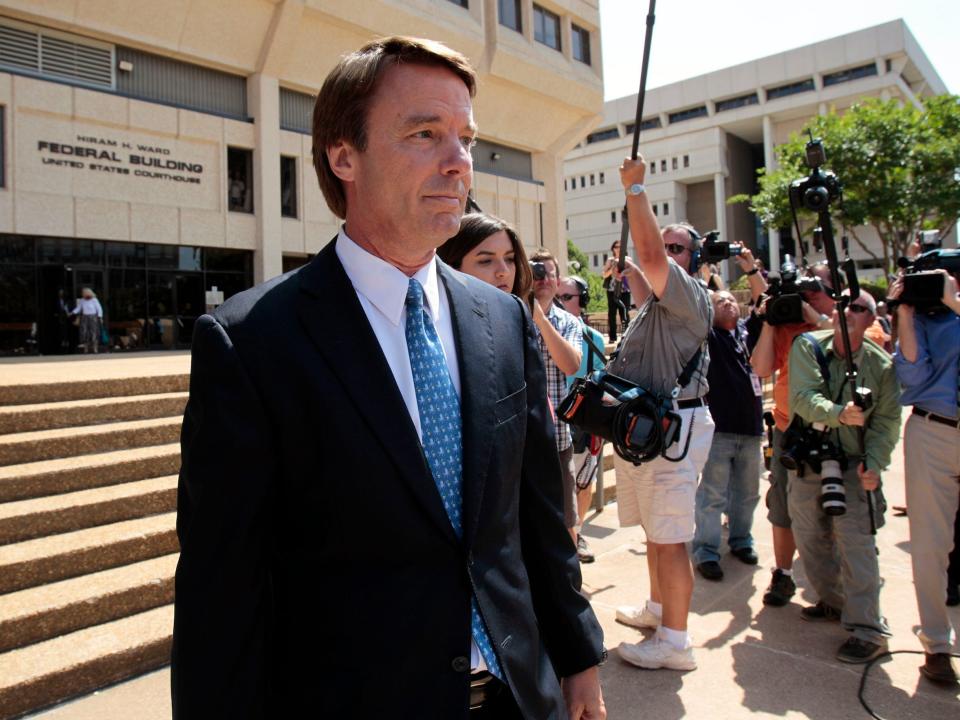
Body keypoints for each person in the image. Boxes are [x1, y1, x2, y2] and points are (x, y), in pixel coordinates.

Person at [171, 37, 606, 720]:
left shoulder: (504, 320)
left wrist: (578, 660)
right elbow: (220, 595)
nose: (459, 161)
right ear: (344, 155)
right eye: (425, 133)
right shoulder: (251, 344)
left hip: (519, 697)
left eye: (465, 137)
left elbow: (536, 519)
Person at [608, 162, 715, 672]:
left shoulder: (691, 297)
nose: (667, 256)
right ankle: (657, 611)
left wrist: (635, 187)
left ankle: (676, 642)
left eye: (678, 250)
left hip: (674, 430)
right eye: (665, 247)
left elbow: (648, 256)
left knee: (671, 539)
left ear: (693, 261)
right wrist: (629, 269)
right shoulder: (655, 305)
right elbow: (642, 265)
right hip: (651, 431)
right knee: (655, 532)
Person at [786, 289, 901, 664]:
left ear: (872, 319)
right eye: (842, 304)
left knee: (857, 544)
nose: (846, 311)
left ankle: (867, 629)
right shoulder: (808, 346)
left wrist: (875, 463)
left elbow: (885, 422)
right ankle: (835, 603)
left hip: (853, 461)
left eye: (858, 307)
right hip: (811, 457)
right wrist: (839, 413)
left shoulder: (881, 367)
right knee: (809, 537)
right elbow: (802, 397)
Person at [749, 261, 835, 607]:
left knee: (832, 507)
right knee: (782, 506)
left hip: (834, 427)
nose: (807, 296)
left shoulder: (843, 316)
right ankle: (784, 574)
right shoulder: (783, 325)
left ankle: (834, 585)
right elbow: (760, 367)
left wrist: (813, 318)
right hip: (789, 427)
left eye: (814, 290)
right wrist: (770, 322)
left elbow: (841, 344)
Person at [889, 269, 960, 684]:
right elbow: (912, 376)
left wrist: (954, 304)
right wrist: (904, 312)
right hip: (935, 430)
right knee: (931, 544)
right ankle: (936, 644)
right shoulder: (928, 321)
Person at [692, 250, 767, 581]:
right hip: (720, 430)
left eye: (731, 301)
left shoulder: (748, 334)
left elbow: (763, 298)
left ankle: (741, 540)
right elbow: (697, 299)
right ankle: (707, 551)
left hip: (751, 428)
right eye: (720, 301)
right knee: (712, 494)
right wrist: (705, 270)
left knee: (748, 493)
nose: (728, 304)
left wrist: (750, 268)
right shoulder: (708, 337)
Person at [529, 249, 583, 548]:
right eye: (536, 272)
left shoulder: (567, 322)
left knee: (566, 523)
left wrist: (539, 317)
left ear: (558, 279)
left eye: (549, 273)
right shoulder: (509, 312)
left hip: (557, 439)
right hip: (521, 440)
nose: (543, 279)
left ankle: (568, 588)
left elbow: (571, 364)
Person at [557, 275, 607, 564]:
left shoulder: (593, 338)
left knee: (583, 484)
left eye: (567, 297)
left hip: (582, 421)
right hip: (552, 419)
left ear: (582, 301)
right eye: (558, 297)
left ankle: (578, 533)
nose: (561, 303)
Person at [437, 212, 533, 299]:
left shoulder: (523, 316)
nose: (504, 271)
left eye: (509, 259)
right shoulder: (434, 317)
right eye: (486, 261)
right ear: (451, 269)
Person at [602, 240, 630, 343]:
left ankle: (627, 336)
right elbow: (604, 275)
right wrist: (612, 267)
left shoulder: (628, 259)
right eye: (616, 246)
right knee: (612, 314)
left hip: (625, 290)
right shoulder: (610, 260)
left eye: (620, 246)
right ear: (613, 249)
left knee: (625, 313)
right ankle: (612, 337)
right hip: (612, 290)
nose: (618, 248)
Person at [70, 287, 103, 354]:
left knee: (94, 332)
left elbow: (99, 308)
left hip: (93, 317)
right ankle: (86, 348)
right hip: (85, 318)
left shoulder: (94, 300)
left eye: (84, 293)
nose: (83, 294)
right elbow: (78, 308)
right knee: (85, 332)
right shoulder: (82, 300)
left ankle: (95, 348)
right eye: (83, 293)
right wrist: (72, 312)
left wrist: (100, 317)